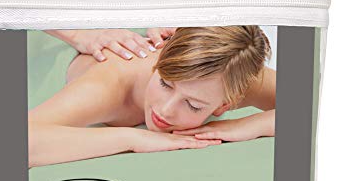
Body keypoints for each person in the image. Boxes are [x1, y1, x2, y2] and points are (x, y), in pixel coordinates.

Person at [29, 26, 275, 167]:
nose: (166, 110)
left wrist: (249, 126)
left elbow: (301, 105)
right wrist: (133, 139)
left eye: (193, 105)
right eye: (165, 84)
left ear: (225, 105)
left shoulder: (229, 73)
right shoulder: (108, 85)